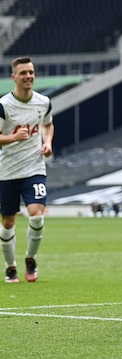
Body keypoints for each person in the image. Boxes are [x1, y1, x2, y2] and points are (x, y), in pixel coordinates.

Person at [0, 56, 53, 284]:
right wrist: (13, 137)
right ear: (14, 77)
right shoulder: (4, 105)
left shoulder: (43, 102)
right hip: (7, 171)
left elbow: (48, 124)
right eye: (23, 73)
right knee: (8, 223)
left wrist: (48, 142)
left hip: (34, 168)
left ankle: (30, 258)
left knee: (37, 215)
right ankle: (10, 266)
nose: (28, 76)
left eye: (31, 72)